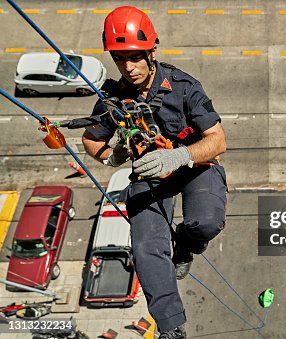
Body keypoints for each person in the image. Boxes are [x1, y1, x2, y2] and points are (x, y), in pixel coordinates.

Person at [82, 6, 227, 339]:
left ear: (152, 50)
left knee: (204, 222)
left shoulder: (183, 86)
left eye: (135, 57)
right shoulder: (114, 99)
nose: (129, 67)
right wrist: (113, 156)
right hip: (149, 174)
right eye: (120, 58)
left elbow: (218, 140)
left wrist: (177, 157)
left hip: (193, 166)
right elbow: (91, 139)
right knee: (146, 246)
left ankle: (188, 247)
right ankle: (171, 326)